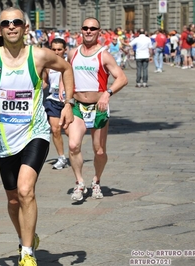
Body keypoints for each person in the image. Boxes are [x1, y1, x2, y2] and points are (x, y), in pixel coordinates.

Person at [0, 7, 74, 266]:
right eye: (6, 23)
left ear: (26, 28)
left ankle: (27, 253)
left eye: (16, 22)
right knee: (13, 199)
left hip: (35, 133)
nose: (11, 26)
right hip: (5, 140)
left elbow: (67, 68)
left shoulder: (39, 56)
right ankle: (27, 237)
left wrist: (69, 102)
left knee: (26, 190)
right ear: (0, 29)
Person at [67, 17, 127, 202]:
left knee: (99, 151)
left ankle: (96, 180)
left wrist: (107, 93)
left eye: (93, 28)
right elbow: (66, 74)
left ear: (99, 32)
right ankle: (79, 183)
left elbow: (122, 78)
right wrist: (66, 98)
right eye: (85, 28)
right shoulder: (73, 53)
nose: (88, 31)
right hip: (78, 106)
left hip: (98, 107)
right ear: (81, 30)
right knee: (73, 145)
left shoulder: (104, 55)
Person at [42, 38, 69, 170]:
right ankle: (61, 157)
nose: (56, 52)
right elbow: (45, 83)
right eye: (54, 49)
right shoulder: (48, 66)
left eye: (59, 49)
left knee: (69, 132)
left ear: (65, 50)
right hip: (52, 100)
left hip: (68, 102)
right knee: (55, 129)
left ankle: (75, 153)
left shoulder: (70, 65)